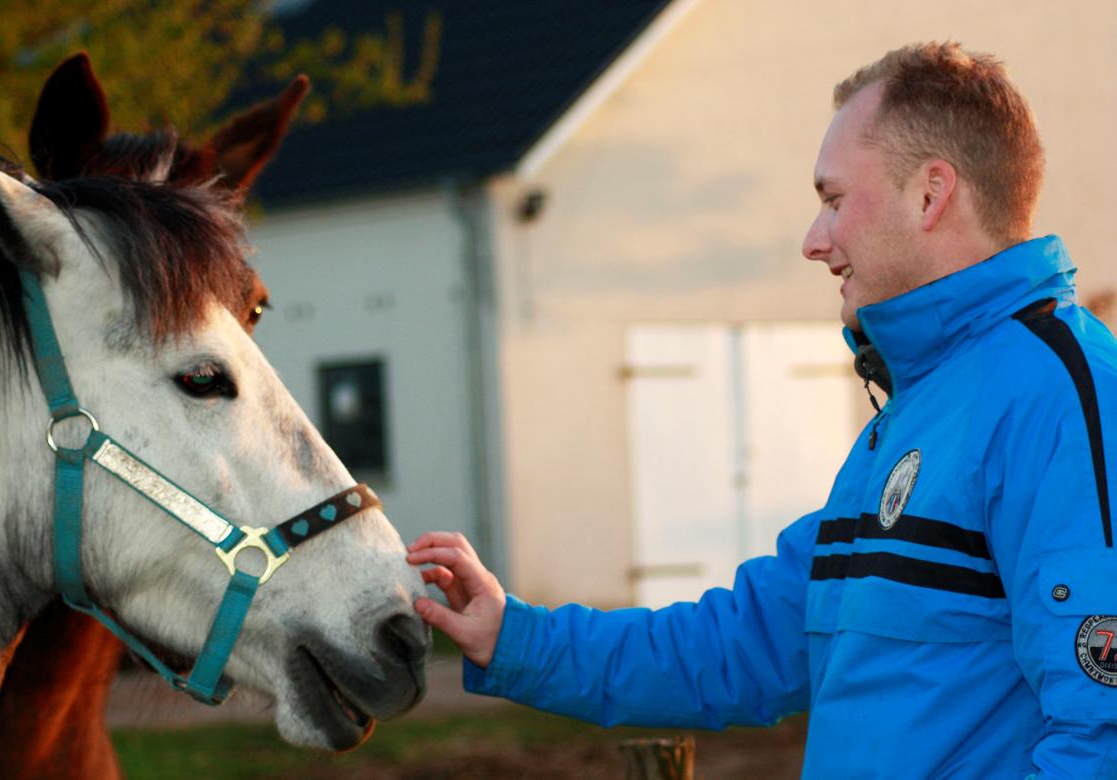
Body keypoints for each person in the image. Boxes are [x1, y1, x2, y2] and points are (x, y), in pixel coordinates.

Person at [406, 41, 1117, 778]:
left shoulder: (1065, 398)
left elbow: (1102, 736)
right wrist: (516, 639)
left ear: (931, 194)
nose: (816, 242)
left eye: (834, 200)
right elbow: (742, 646)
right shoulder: (916, 412)